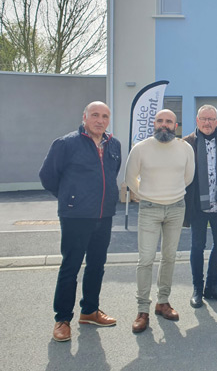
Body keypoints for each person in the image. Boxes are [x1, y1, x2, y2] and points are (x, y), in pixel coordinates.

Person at [39, 101, 121, 342]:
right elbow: (48, 176)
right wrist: (69, 199)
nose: (100, 120)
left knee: (97, 265)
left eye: (105, 116)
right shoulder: (66, 144)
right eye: (95, 115)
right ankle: (62, 319)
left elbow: (112, 174)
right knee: (70, 267)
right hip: (75, 216)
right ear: (84, 117)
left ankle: (90, 310)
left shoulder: (113, 144)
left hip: (104, 216)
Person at [125, 109, 195, 333]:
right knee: (145, 259)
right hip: (149, 209)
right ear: (154, 123)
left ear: (176, 125)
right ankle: (142, 310)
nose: (164, 125)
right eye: (160, 121)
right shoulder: (141, 148)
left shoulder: (185, 148)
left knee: (169, 257)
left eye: (169, 122)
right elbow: (130, 178)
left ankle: (162, 302)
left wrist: (170, 194)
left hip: (176, 208)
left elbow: (188, 177)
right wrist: (147, 195)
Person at [183, 105, 217, 308]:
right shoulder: (187, 143)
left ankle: (212, 286)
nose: (207, 123)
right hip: (198, 204)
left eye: (211, 119)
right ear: (197, 121)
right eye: (203, 119)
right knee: (197, 246)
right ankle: (197, 288)